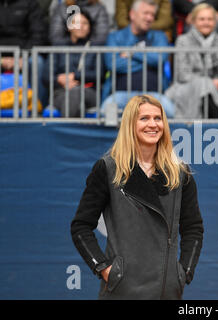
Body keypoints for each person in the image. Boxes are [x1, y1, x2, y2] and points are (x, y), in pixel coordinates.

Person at [71, 94, 204, 299]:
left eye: (158, 118)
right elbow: (80, 227)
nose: (153, 124)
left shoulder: (180, 174)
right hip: (123, 290)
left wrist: (182, 273)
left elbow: (193, 228)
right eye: (144, 118)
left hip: (166, 291)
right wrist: (105, 269)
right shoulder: (108, 169)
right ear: (130, 124)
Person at [102, 0, 174, 118]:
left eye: (152, 15)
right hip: (121, 94)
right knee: (106, 113)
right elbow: (113, 64)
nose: (149, 18)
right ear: (132, 14)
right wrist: (147, 60)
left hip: (154, 95)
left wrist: (132, 53)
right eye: (145, 13)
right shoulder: (115, 37)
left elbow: (159, 60)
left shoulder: (160, 36)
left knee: (170, 112)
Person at [165, 3, 218, 119]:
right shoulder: (183, 41)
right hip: (186, 88)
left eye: (210, 19)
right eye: (202, 19)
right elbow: (182, 75)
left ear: (215, 22)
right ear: (194, 21)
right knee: (202, 85)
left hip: (215, 91)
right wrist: (207, 82)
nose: (206, 22)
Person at [43, 9, 103, 117]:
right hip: (61, 92)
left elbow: (99, 74)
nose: (81, 26)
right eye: (77, 23)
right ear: (69, 26)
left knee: (75, 92)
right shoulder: (58, 47)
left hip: (89, 92)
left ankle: (65, 131)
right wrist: (60, 80)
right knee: (73, 98)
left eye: (85, 23)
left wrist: (75, 76)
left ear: (89, 27)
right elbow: (46, 76)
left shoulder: (95, 48)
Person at [0, 0, 48, 108]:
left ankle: (38, 108)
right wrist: (1, 60)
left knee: (37, 63)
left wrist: (24, 56)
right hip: (1, 55)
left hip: (25, 54)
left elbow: (38, 33)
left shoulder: (30, 3)